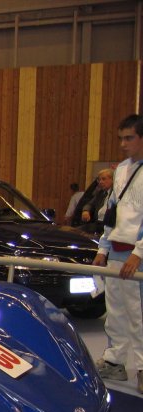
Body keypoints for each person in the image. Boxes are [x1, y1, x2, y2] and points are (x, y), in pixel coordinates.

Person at [92, 113, 143, 394]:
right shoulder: (121, 170)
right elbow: (111, 214)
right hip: (117, 253)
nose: (123, 144)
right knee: (116, 312)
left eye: (129, 138)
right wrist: (103, 248)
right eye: (121, 138)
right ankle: (115, 361)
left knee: (139, 314)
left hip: (138, 257)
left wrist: (139, 253)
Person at [75, 168, 113, 234]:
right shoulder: (100, 193)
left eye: (103, 179)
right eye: (99, 180)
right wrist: (86, 211)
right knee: (75, 232)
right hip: (98, 224)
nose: (100, 182)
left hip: (109, 225)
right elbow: (89, 204)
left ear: (112, 180)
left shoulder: (116, 194)